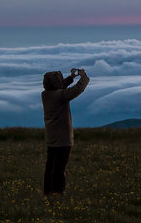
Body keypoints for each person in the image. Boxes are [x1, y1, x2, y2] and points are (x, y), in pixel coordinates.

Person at [41, 67, 90, 196]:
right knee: (59, 168)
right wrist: (83, 76)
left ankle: (48, 192)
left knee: (50, 166)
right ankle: (58, 193)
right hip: (63, 138)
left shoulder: (45, 94)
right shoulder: (60, 96)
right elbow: (78, 89)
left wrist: (71, 77)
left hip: (51, 137)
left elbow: (60, 87)